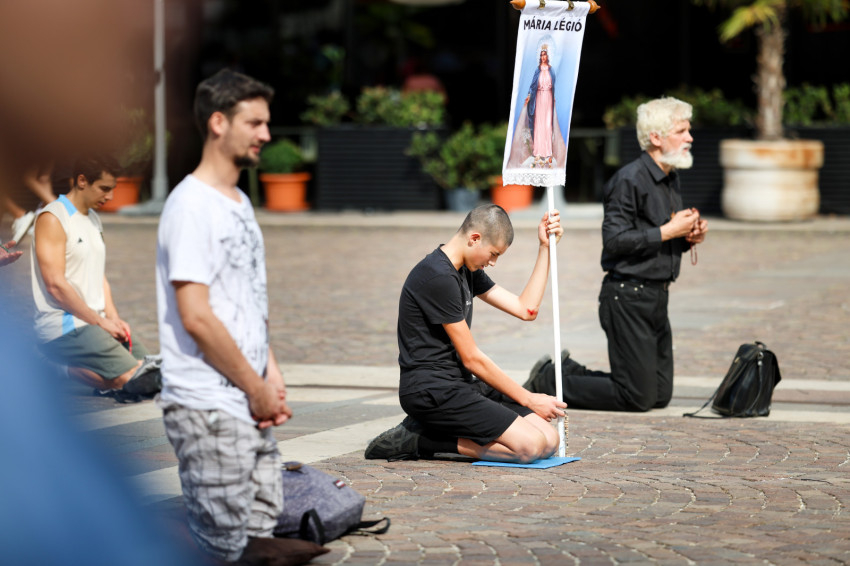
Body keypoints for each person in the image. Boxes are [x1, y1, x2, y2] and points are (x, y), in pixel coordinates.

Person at [156, 69, 323, 564]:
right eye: (254, 123)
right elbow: (196, 317)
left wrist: (270, 372)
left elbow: (247, 298)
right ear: (217, 123)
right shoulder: (190, 207)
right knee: (226, 550)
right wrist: (255, 387)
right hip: (208, 406)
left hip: (246, 399)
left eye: (266, 123)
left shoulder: (240, 201)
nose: (266, 135)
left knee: (259, 540)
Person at [524, 96, 708, 412]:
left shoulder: (670, 176)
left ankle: (568, 372)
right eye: (681, 131)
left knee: (659, 395)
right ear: (656, 137)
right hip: (627, 296)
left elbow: (658, 235)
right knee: (638, 398)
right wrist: (669, 231)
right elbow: (614, 241)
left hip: (657, 296)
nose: (689, 137)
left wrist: (688, 236)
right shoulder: (629, 180)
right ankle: (550, 380)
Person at [365, 204, 567, 464]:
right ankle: (420, 439)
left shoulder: (466, 270)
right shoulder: (437, 276)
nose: (492, 263)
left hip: (461, 385)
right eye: (493, 254)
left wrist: (545, 247)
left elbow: (526, 309)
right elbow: (471, 358)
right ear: (475, 238)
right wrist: (528, 398)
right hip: (431, 391)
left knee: (549, 441)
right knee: (529, 448)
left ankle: (435, 431)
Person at [30, 154, 161, 400]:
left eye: (113, 189)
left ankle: (69, 368)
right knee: (138, 379)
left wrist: (113, 318)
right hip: (65, 326)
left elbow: (98, 274)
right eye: (104, 189)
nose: (110, 197)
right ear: (82, 181)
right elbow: (55, 285)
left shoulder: (93, 218)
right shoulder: (53, 218)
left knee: (154, 370)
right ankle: (54, 367)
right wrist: (101, 323)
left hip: (94, 323)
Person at [506, 46, 567, 170]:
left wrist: (553, 96)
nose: (543, 57)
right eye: (541, 55)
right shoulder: (538, 70)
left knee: (547, 125)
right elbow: (533, 85)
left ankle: (547, 152)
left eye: (545, 55)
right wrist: (529, 96)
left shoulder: (551, 70)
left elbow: (553, 85)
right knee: (539, 124)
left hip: (548, 98)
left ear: (548, 56)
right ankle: (538, 152)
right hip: (539, 98)